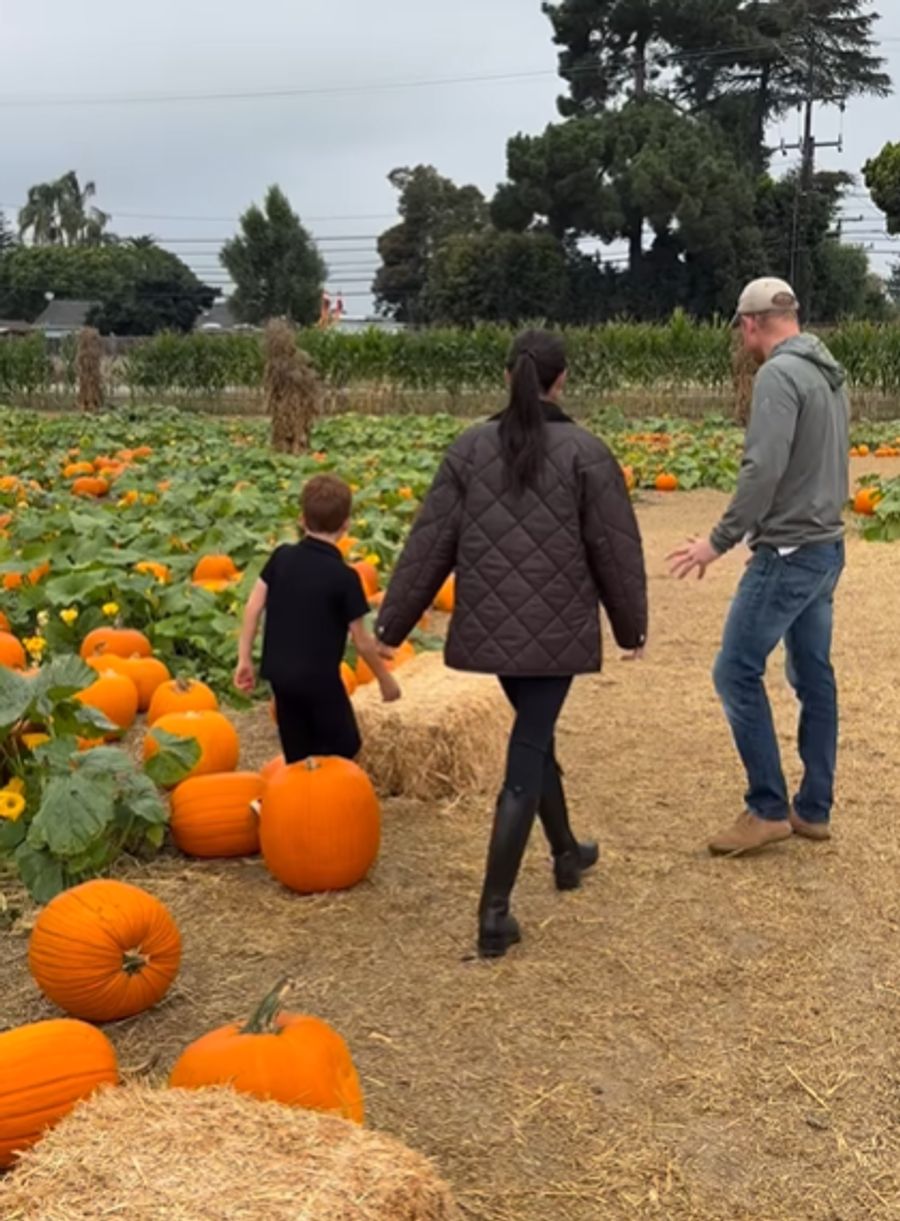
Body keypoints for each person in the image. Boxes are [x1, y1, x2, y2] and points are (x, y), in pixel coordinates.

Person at [374, 330, 648, 959]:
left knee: (535, 735)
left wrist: (392, 624)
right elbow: (614, 547)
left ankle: (566, 853)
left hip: (492, 631)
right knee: (527, 753)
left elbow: (429, 544)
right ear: (562, 380)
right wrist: (629, 625)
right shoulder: (587, 452)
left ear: (507, 378)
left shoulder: (470, 448)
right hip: (555, 635)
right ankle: (494, 912)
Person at [669, 278, 849, 857]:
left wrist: (718, 542)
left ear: (749, 324)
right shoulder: (828, 372)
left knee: (736, 671)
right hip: (826, 548)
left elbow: (762, 469)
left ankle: (768, 807)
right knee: (813, 673)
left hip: (789, 552)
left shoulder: (778, 375)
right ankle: (813, 808)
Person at [235, 473, 400, 763]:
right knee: (346, 749)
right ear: (346, 525)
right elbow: (361, 642)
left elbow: (253, 607)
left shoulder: (281, 557)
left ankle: (300, 801)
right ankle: (329, 802)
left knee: (298, 757)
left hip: (281, 677)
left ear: (301, 519)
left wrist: (244, 659)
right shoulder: (345, 578)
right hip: (321, 682)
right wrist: (386, 681)